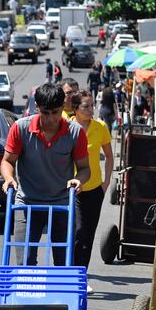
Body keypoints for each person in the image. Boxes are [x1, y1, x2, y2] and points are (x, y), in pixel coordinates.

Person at [1, 83, 90, 266]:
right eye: (45, 113)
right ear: (37, 108)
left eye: (55, 112)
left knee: (63, 261)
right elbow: (8, 161)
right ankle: (26, 292)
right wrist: (9, 179)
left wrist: (78, 180)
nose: (50, 118)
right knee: (24, 260)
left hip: (61, 204)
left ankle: (59, 294)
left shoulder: (75, 132)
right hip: (27, 202)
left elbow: (84, 168)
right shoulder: (20, 128)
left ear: (63, 108)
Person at [71, 90, 114, 271]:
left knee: (88, 235)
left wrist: (106, 183)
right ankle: (70, 271)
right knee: (76, 232)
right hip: (73, 189)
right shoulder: (68, 127)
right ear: (75, 109)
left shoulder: (100, 127)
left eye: (92, 106)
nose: (91, 109)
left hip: (95, 188)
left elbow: (110, 157)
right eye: (85, 106)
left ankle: (81, 275)